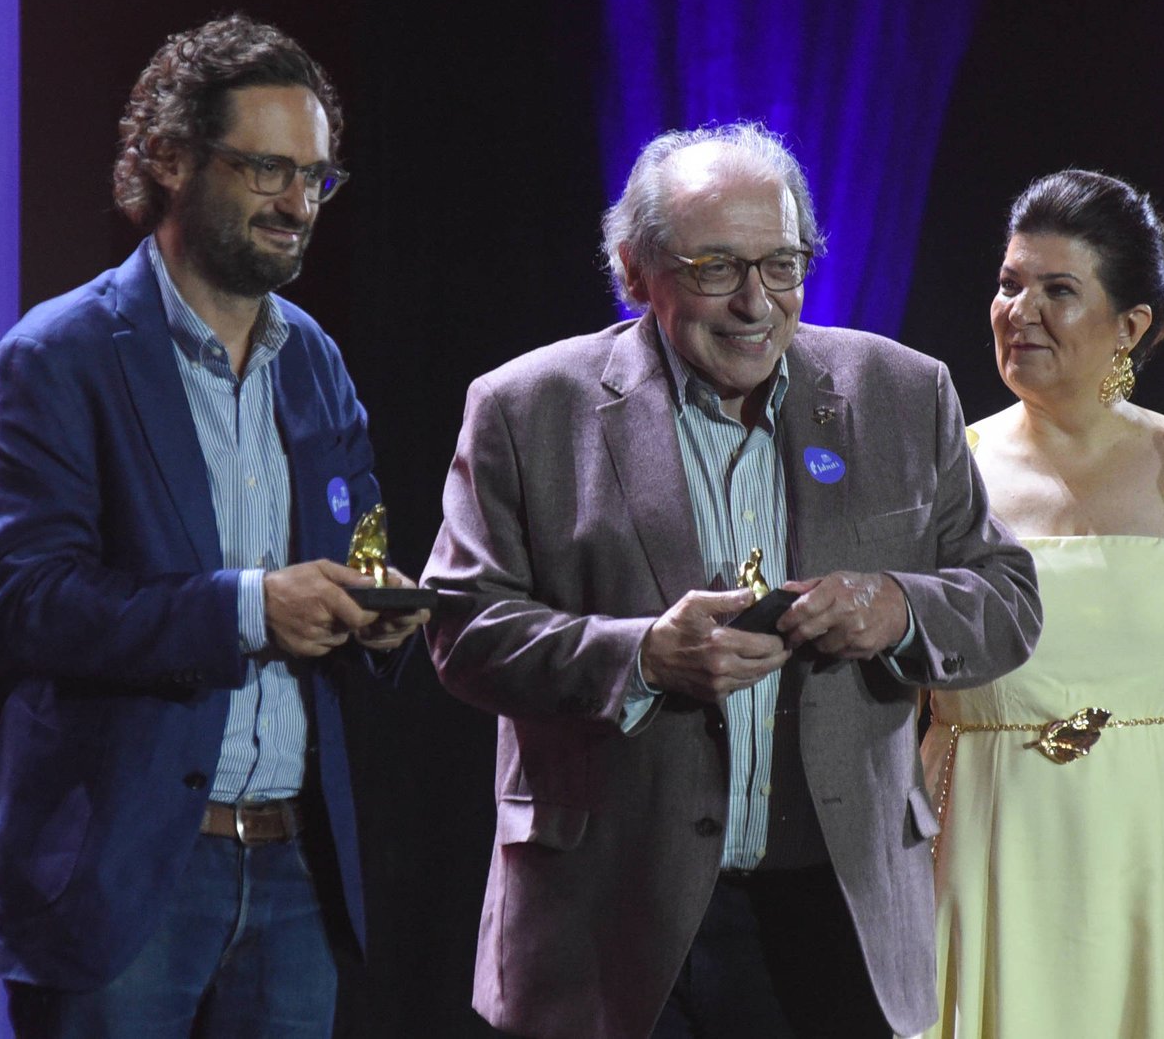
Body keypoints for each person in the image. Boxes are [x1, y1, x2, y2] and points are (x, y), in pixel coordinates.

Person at [421, 122, 1043, 1039]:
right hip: (611, 915)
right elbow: (463, 628)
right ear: (636, 271)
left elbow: (1006, 595)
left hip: (837, 912)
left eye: (782, 265)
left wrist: (896, 606)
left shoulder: (904, 393)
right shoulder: (525, 408)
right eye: (717, 268)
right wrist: (641, 658)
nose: (757, 303)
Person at [0, 15, 428, 1037]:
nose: (297, 204)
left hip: (294, 875)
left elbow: (356, 534)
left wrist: (376, 613)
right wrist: (251, 609)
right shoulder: (58, 355)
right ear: (168, 157)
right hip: (125, 876)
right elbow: (26, 603)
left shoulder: (315, 359)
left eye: (317, 178)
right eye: (268, 170)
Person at [922, 169, 1164, 1037]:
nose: (1020, 310)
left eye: (1059, 289)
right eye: (1009, 282)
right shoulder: (943, 474)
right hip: (981, 850)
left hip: (1143, 860)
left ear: (1129, 325)